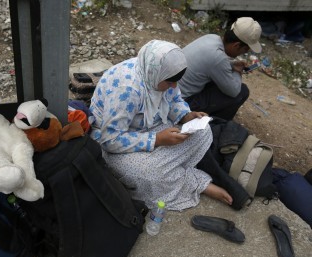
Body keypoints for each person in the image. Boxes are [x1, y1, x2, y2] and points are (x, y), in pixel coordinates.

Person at [89, 40, 233, 211]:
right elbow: (110, 140)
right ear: (156, 73)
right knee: (147, 174)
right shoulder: (127, 90)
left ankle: (171, 172)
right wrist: (157, 139)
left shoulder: (159, 73)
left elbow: (174, 100)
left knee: (203, 132)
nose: (174, 86)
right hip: (116, 142)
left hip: (153, 125)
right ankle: (196, 183)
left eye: (176, 82)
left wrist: (186, 116)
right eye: (170, 82)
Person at [178, 17, 262, 121]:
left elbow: (211, 64)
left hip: (170, 92)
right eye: (245, 50)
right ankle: (216, 125)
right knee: (242, 92)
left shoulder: (211, 38)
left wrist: (231, 65)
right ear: (236, 45)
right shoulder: (218, 58)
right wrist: (238, 71)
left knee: (220, 82)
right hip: (180, 104)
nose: (243, 54)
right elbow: (234, 91)